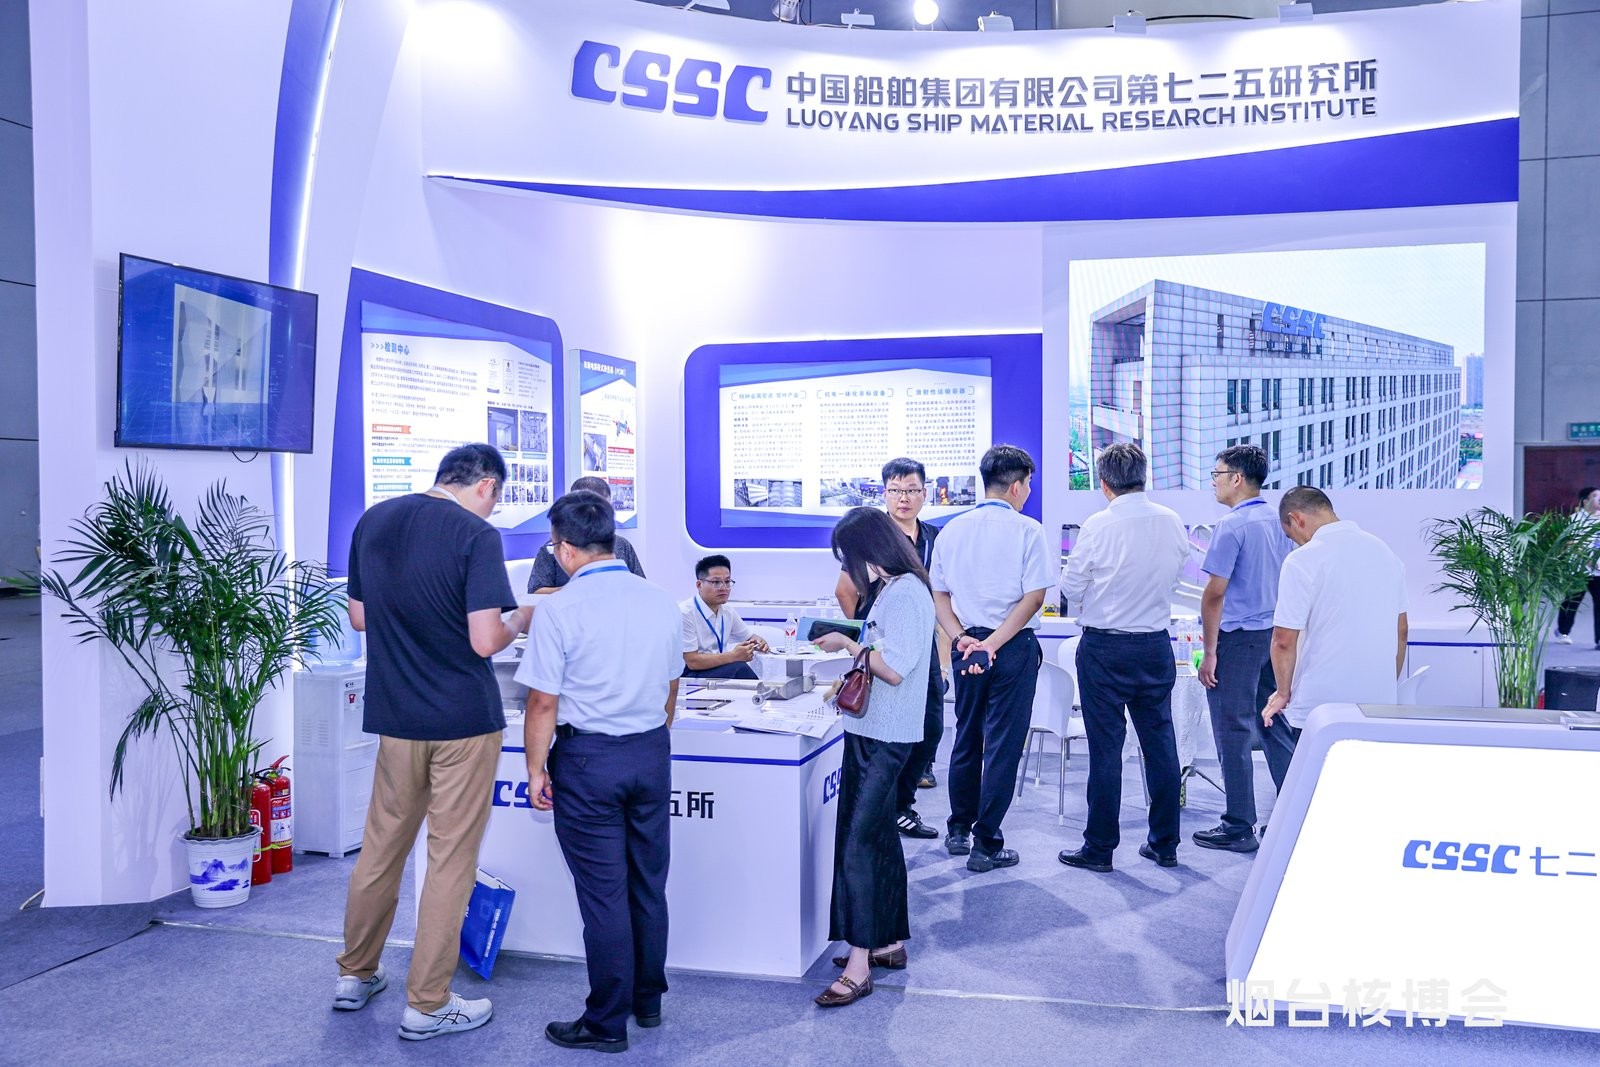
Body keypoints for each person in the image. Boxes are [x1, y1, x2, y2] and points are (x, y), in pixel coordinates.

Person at [334, 443, 532, 1041]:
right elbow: (485, 640)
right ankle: (428, 1002)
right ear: (487, 486)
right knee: (450, 859)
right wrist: (521, 617)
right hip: (463, 721)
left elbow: (360, 618)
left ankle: (355, 974)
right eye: (497, 499)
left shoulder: (374, 520)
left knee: (380, 849)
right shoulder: (476, 535)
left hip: (397, 714)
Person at [517, 490, 684, 1053]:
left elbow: (542, 702)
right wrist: (651, 737)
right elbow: (671, 685)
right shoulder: (661, 601)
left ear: (564, 549)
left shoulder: (559, 609)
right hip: (650, 753)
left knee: (603, 895)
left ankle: (605, 1022)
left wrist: (535, 769)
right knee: (647, 883)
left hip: (589, 761)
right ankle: (647, 1000)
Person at [811, 507, 936, 1007]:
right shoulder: (893, 589)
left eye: (848, 556)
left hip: (885, 736)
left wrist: (848, 644)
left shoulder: (905, 592)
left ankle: (859, 965)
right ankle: (886, 942)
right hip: (873, 730)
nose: (848, 567)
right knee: (878, 837)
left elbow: (895, 669)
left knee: (859, 844)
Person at [1057, 443, 1190, 873]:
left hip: (1105, 648)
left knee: (1106, 750)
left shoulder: (1098, 525)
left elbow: (1071, 587)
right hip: (1154, 645)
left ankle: (1099, 849)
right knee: (1161, 745)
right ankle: (1165, 844)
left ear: (1104, 483)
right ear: (1144, 476)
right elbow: (1176, 574)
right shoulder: (1171, 521)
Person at [928, 444, 1053, 873]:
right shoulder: (1028, 530)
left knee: (966, 735)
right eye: (1029, 485)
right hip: (1011, 646)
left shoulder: (951, 531)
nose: (1028, 492)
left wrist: (962, 638)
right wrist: (994, 644)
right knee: (1002, 744)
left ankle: (958, 829)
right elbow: (1034, 597)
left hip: (966, 646)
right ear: (1016, 486)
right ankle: (986, 844)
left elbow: (939, 595)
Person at [1193, 445, 1299, 854]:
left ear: (1236, 478)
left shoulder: (1231, 526)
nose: (1214, 483)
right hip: (1273, 636)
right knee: (1274, 724)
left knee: (1232, 731)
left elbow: (1214, 595)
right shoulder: (1279, 520)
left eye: (1217, 474)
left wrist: (1210, 652)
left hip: (1237, 641)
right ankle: (1297, 815)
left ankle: (1238, 825)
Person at [834, 457, 948, 838]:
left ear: (924, 493)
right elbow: (845, 590)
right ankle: (893, 808)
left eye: (911, 490)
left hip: (918, 645)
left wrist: (943, 657)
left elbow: (941, 599)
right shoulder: (869, 534)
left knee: (930, 726)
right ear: (884, 493)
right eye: (896, 490)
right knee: (884, 731)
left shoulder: (934, 539)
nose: (904, 498)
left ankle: (900, 804)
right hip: (883, 646)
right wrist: (866, 636)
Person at [1263, 487, 1408, 743]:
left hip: (1320, 706)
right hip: (1378, 704)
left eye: (1291, 536)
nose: (1297, 543)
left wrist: (1282, 693)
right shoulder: (1385, 553)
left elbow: (1283, 639)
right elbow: (1402, 631)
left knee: (1317, 770)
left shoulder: (1302, 560)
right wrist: (1383, 687)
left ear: (1296, 519)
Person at [528, 476, 645, 593]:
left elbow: (639, 583)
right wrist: (577, 589)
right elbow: (536, 590)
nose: (595, 514)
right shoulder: (553, 548)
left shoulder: (622, 545)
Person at [681, 554, 769, 679]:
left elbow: (750, 637)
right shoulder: (685, 613)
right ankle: (762, 692)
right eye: (716, 582)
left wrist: (759, 643)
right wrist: (733, 656)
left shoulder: (727, 610)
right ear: (699, 585)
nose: (724, 588)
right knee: (739, 668)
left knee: (740, 668)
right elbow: (692, 662)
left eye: (727, 582)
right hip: (689, 675)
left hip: (717, 669)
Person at [1555, 486, 1600, 647]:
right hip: (1578, 569)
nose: (1599, 499)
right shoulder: (1575, 519)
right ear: (1585, 501)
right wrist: (1588, 559)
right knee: (1572, 602)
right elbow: (1570, 543)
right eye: (1595, 496)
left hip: (1598, 571)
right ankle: (1563, 632)